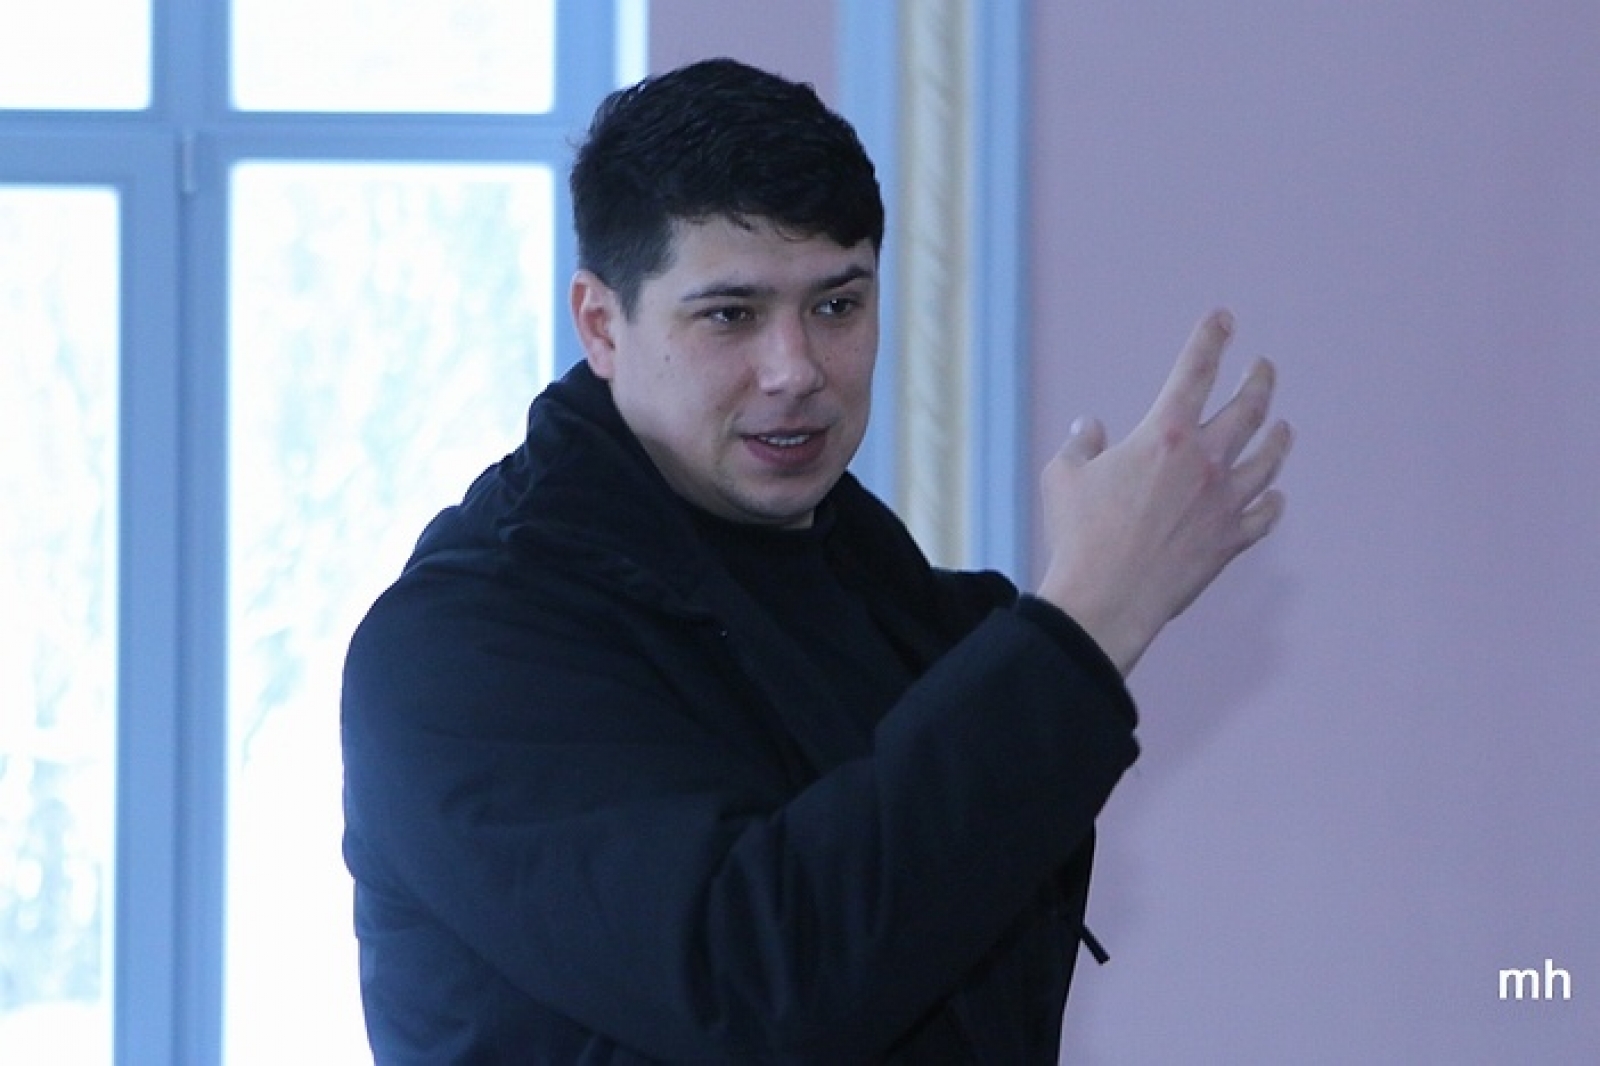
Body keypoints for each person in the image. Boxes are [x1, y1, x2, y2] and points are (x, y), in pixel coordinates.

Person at [341, 57, 1292, 1063]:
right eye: (730, 314)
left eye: (836, 305)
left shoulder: (904, 605)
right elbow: (757, 979)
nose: (795, 370)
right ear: (600, 323)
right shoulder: (461, 643)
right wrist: (1085, 620)